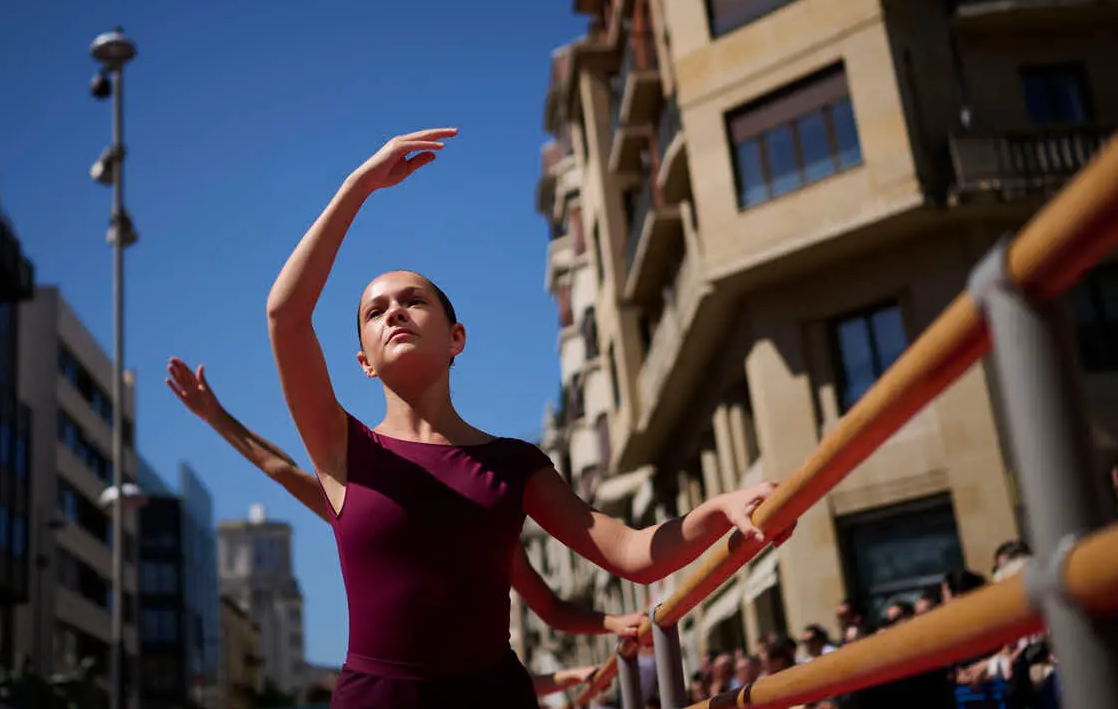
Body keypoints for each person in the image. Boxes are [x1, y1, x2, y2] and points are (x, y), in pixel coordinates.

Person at [264, 127, 791, 707]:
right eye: (375, 310)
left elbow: (635, 554)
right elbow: (286, 315)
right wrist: (360, 184)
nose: (395, 312)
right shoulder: (342, 449)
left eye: (414, 300)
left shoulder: (514, 464)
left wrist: (720, 510)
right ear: (363, 361)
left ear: (456, 337)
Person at [163, 357, 646, 639]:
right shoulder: (363, 504)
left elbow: (552, 609)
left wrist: (615, 623)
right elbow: (282, 467)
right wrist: (217, 417)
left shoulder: (491, 533)